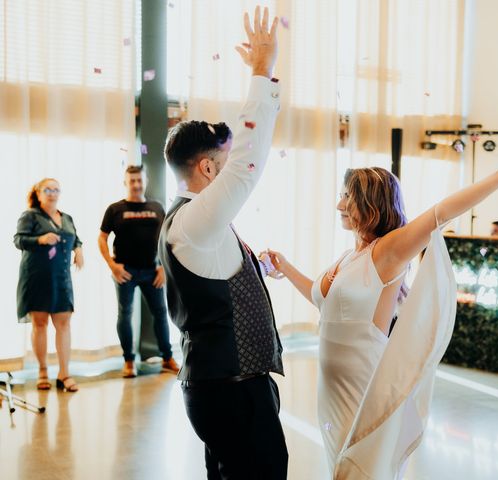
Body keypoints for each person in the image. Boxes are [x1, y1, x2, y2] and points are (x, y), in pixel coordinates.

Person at [266, 140, 498, 477]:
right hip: (332, 393)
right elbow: (326, 304)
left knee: (360, 470)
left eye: (347, 197)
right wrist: (286, 267)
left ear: (371, 205)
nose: (339, 205)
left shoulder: (389, 251)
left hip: (364, 387)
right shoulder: (350, 256)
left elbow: (442, 212)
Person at [158, 7, 287, 479]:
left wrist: (257, 271)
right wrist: (261, 73)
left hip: (231, 384)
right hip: (227, 389)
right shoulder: (193, 220)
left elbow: (216, 276)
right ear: (208, 169)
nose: (233, 168)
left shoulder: (198, 224)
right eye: (224, 161)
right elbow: (249, 162)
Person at [98, 164, 179, 378]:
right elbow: (102, 238)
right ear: (126, 182)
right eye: (132, 180)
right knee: (125, 314)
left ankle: (167, 358)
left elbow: (166, 238)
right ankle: (128, 361)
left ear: (145, 181)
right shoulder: (115, 209)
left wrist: (163, 266)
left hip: (153, 271)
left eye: (139, 180)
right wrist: (112, 266)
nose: (136, 184)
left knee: (161, 313)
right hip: (125, 271)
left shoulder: (157, 207)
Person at [14, 178, 84, 393]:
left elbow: (76, 239)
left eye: (56, 189)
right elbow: (18, 240)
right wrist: (41, 240)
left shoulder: (67, 217)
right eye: (48, 189)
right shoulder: (30, 216)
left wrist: (79, 250)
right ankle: (43, 371)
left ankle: (64, 373)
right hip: (36, 277)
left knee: (64, 324)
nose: (52, 193)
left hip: (62, 278)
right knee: (41, 324)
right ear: (38, 192)